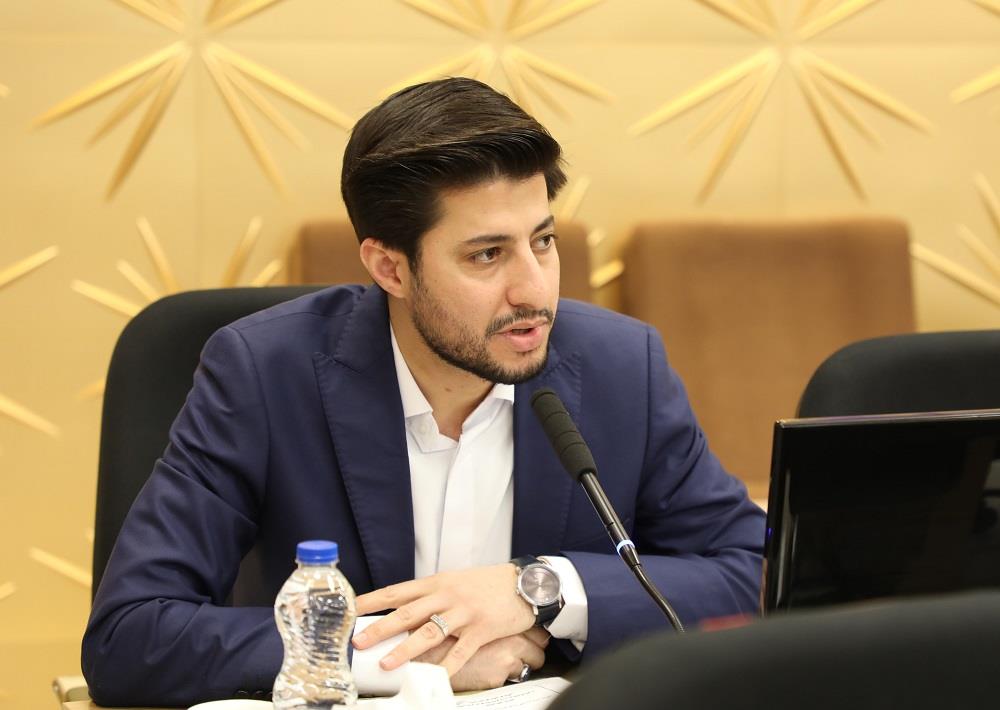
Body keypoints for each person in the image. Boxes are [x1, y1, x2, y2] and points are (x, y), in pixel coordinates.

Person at [81, 77, 765, 707]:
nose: (534, 290)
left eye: (543, 241)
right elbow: (130, 635)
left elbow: (754, 574)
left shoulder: (621, 366)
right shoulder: (264, 373)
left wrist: (541, 589)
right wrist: (403, 658)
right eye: (487, 255)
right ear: (390, 268)